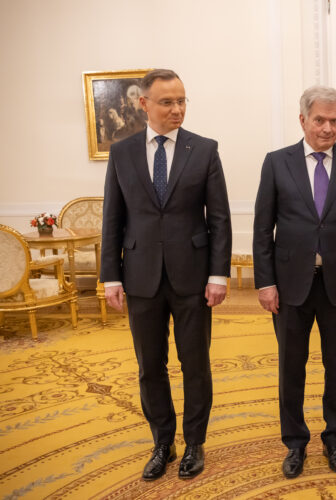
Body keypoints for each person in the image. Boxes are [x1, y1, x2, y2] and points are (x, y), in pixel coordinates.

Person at [100, 69, 232, 481]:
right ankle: (162, 441)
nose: (177, 109)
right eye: (167, 102)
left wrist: (218, 275)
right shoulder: (121, 153)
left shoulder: (204, 149)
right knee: (149, 366)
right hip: (139, 277)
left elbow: (221, 219)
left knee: (195, 364)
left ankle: (194, 442)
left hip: (192, 277)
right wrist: (111, 276)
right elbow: (113, 219)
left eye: (182, 101)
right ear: (144, 104)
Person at [253, 85, 336, 479]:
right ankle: (294, 443)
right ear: (303, 119)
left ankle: (334, 438)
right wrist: (265, 282)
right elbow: (262, 229)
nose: (327, 128)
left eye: (334, 120)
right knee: (292, 366)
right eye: (320, 120)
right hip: (289, 285)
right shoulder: (277, 162)